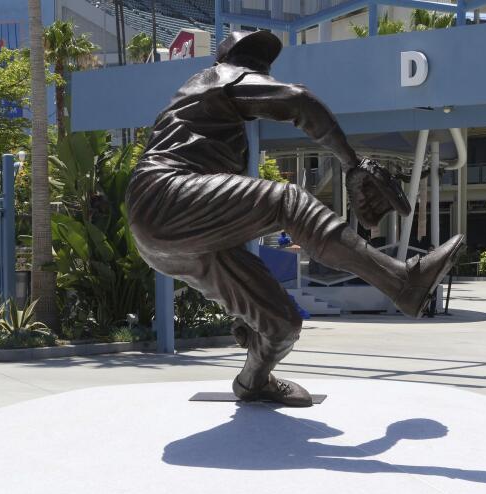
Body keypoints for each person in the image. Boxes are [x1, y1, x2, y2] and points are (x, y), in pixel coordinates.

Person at [126, 30, 462, 408]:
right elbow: (298, 101)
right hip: (162, 194)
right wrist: (353, 165)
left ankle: (254, 380)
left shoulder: (217, 132)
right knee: (287, 200)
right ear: (229, 62)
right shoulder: (213, 78)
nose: (259, 69)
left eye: (263, 63)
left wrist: (239, 304)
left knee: (282, 324)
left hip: (176, 234)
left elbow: (218, 221)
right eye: (250, 59)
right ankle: (401, 282)